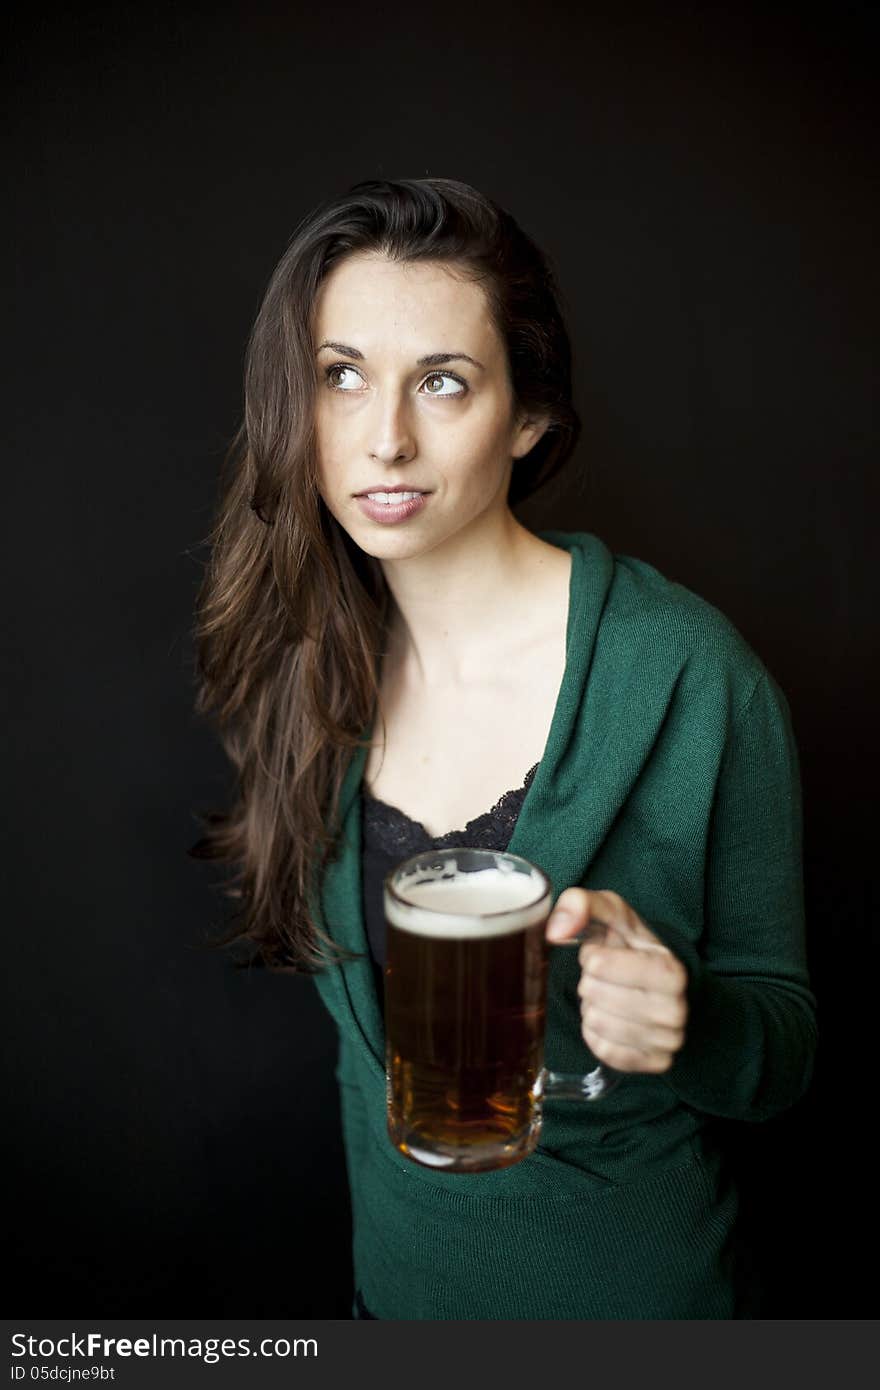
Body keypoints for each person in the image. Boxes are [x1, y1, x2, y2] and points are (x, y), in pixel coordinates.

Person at [190, 176, 817, 1320]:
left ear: (528, 415)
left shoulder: (688, 674)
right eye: (341, 376)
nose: (384, 437)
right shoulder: (308, 661)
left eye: (442, 381)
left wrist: (693, 1024)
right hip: (394, 1298)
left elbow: (782, 1048)